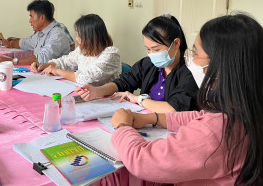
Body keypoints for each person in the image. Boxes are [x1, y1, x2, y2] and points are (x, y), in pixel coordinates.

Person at [110, 13, 263, 186]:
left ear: (220, 65)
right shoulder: (244, 105)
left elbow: (143, 161)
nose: (190, 58)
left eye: (196, 52)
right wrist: (152, 118)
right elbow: (200, 116)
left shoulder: (217, 129)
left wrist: (122, 127)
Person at [77, 14, 198, 113]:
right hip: (148, 122)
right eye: (148, 49)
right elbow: (124, 82)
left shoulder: (189, 71)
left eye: (156, 49)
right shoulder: (148, 64)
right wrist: (97, 91)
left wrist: (139, 99)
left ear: (176, 44)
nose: (152, 54)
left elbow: (173, 109)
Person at [31, 14, 121, 86]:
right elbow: (65, 61)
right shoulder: (83, 50)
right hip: (84, 94)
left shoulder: (111, 53)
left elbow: (86, 78)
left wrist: (57, 71)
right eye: (77, 35)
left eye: (81, 36)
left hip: (106, 100)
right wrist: (45, 65)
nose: (77, 39)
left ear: (93, 37)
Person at [0, 0, 71, 65]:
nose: (30, 21)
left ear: (42, 17)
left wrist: (12, 61)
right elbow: (25, 43)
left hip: (57, 78)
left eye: (32, 17)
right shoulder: (40, 33)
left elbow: (42, 58)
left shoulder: (57, 35)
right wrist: (9, 43)